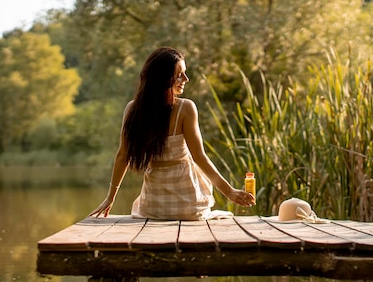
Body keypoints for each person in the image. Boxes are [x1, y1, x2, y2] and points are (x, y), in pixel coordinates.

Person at [90, 47, 255, 219]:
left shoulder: (132, 110)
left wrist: (110, 198)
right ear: (163, 79)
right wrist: (229, 192)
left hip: (153, 208)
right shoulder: (186, 108)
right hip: (189, 206)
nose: (186, 79)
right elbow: (200, 157)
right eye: (180, 74)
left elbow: (123, 156)